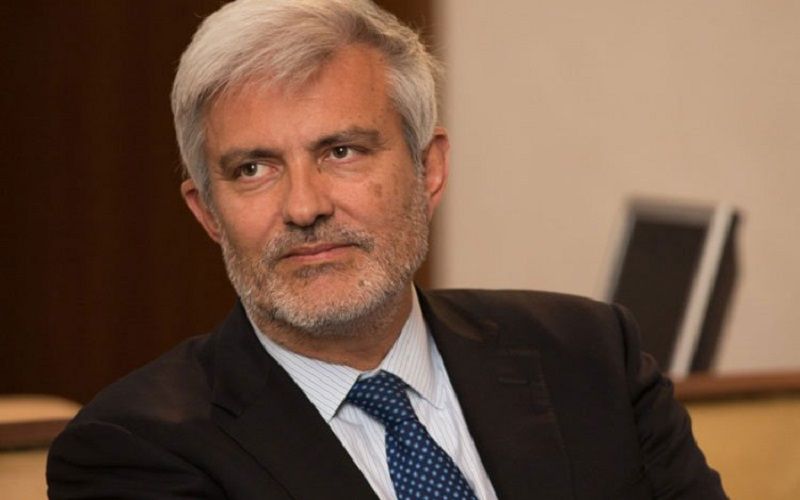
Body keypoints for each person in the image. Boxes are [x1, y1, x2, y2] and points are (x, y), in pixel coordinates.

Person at [47, 0, 726, 498]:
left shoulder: (589, 356)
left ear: (429, 170)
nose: (304, 207)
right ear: (208, 214)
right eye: (253, 168)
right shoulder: (132, 450)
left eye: (342, 151)